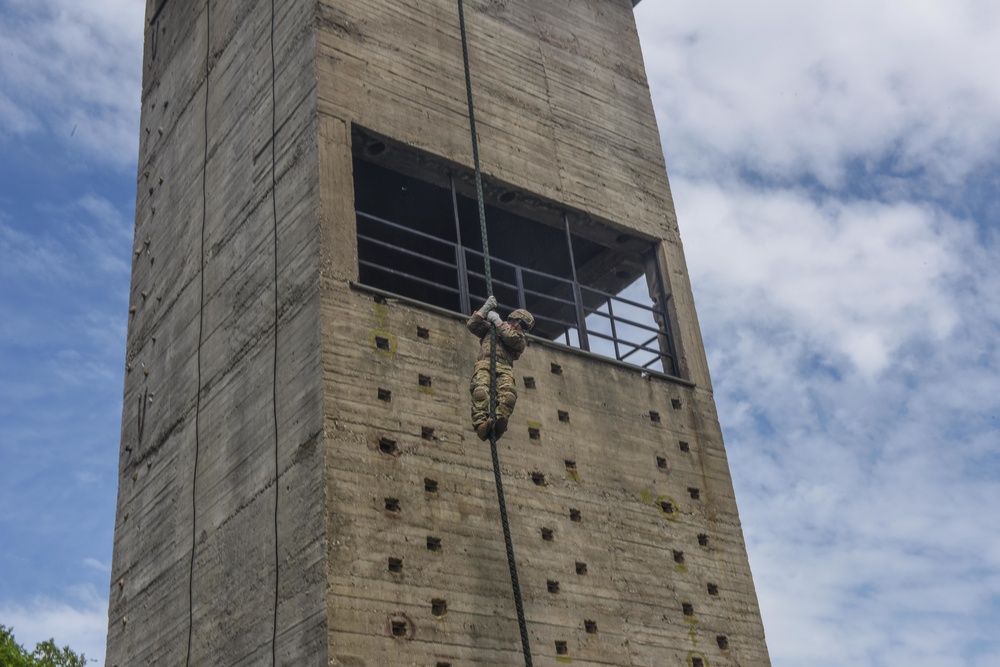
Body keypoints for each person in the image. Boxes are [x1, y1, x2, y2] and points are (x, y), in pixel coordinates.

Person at [467, 296, 534, 441]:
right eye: (524, 326)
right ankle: (480, 425)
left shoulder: (520, 340)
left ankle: (498, 422)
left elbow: (509, 337)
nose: (524, 330)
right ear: (516, 321)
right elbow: (472, 326)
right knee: (480, 392)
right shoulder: (492, 328)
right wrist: (484, 310)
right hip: (485, 363)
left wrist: (497, 321)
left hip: (504, 367)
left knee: (508, 397)